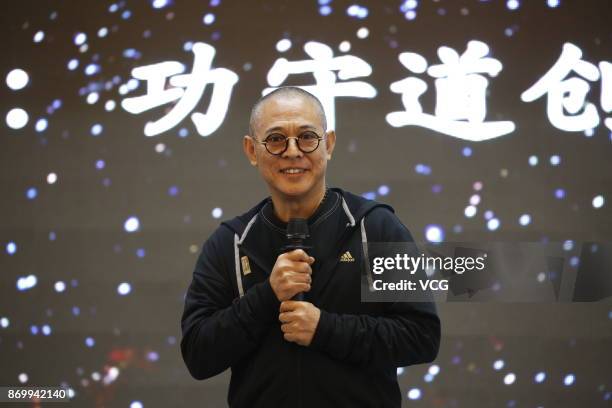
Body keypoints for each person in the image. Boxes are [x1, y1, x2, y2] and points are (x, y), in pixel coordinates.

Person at [180, 87, 440, 407]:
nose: (292, 152)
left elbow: (421, 337)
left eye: (307, 137)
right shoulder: (230, 243)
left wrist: (325, 329)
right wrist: (266, 296)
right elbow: (198, 355)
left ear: (328, 144)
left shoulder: (374, 227)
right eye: (276, 139)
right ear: (251, 150)